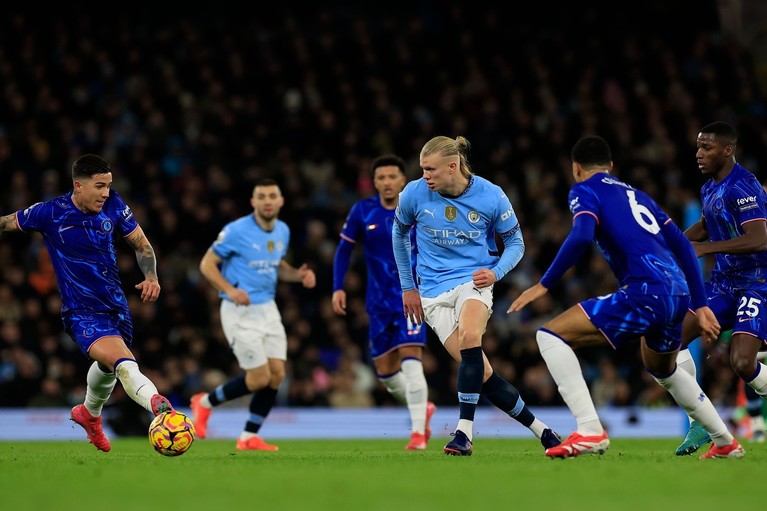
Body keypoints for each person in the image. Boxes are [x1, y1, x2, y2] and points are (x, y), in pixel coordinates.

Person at [508, 135, 744, 459]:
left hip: (645, 291)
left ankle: (590, 430)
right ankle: (725, 442)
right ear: (611, 167)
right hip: (677, 294)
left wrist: (545, 284)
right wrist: (700, 304)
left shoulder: (584, 190)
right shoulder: (639, 195)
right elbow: (684, 248)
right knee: (662, 368)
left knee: (550, 336)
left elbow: (581, 236)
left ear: (576, 168)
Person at [392, 135, 561, 456]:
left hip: (474, 282)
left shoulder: (491, 196)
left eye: (430, 169)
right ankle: (543, 431)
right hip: (431, 294)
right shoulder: (414, 194)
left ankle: (463, 433)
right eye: (422, 169)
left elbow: (516, 244)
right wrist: (407, 286)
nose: (424, 175)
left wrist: (496, 272)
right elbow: (398, 234)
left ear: (453, 166)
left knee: (471, 337)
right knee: (481, 373)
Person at [0, 154, 174, 452]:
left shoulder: (114, 205)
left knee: (107, 368)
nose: (106, 193)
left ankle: (89, 414)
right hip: (82, 312)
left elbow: (142, 245)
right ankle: (160, 408)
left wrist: (152, 276)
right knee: (123, 363)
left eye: (108, 186)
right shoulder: (50, 212)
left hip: (116, 307)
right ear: (78, 186)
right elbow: (5, 224)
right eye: (99, 186)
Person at [191, 178, 316, 451]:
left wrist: (298, 275)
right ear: (253, 202)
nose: (268, 201)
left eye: (272, 195)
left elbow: (276, 265)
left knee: (277, 375)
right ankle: (203, 403)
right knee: (259, 378)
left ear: (281, 201)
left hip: (268, 309)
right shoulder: (236, 230)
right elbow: (206, 264)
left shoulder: (282, 230)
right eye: (262, 196)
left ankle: (248, 437)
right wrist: (229, 289)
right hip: (239, 311)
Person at [674, 121, 767, 455]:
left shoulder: (744, 186)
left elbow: (759, 239)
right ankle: (700, 421)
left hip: (758, 284)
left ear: (728, 150)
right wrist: (675, 246)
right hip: (725, 285)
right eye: (698, 147)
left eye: (707, 148)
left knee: (742, 362)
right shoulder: (710, 187)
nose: (699, 154)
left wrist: (706, 249)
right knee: (669, 337)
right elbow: (705, 226)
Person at [332, 154, 436, 451]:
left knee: (411, 362)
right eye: (381, 178)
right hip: (377, 302)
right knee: (387, 375)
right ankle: (422, 408)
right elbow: (343, 250)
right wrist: (338, 287)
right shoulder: (363, 211)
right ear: (374, 182)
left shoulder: (419, 207)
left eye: (393, 177)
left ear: (404, 180)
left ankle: (418, 434)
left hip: (411, 298)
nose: (387, 182)